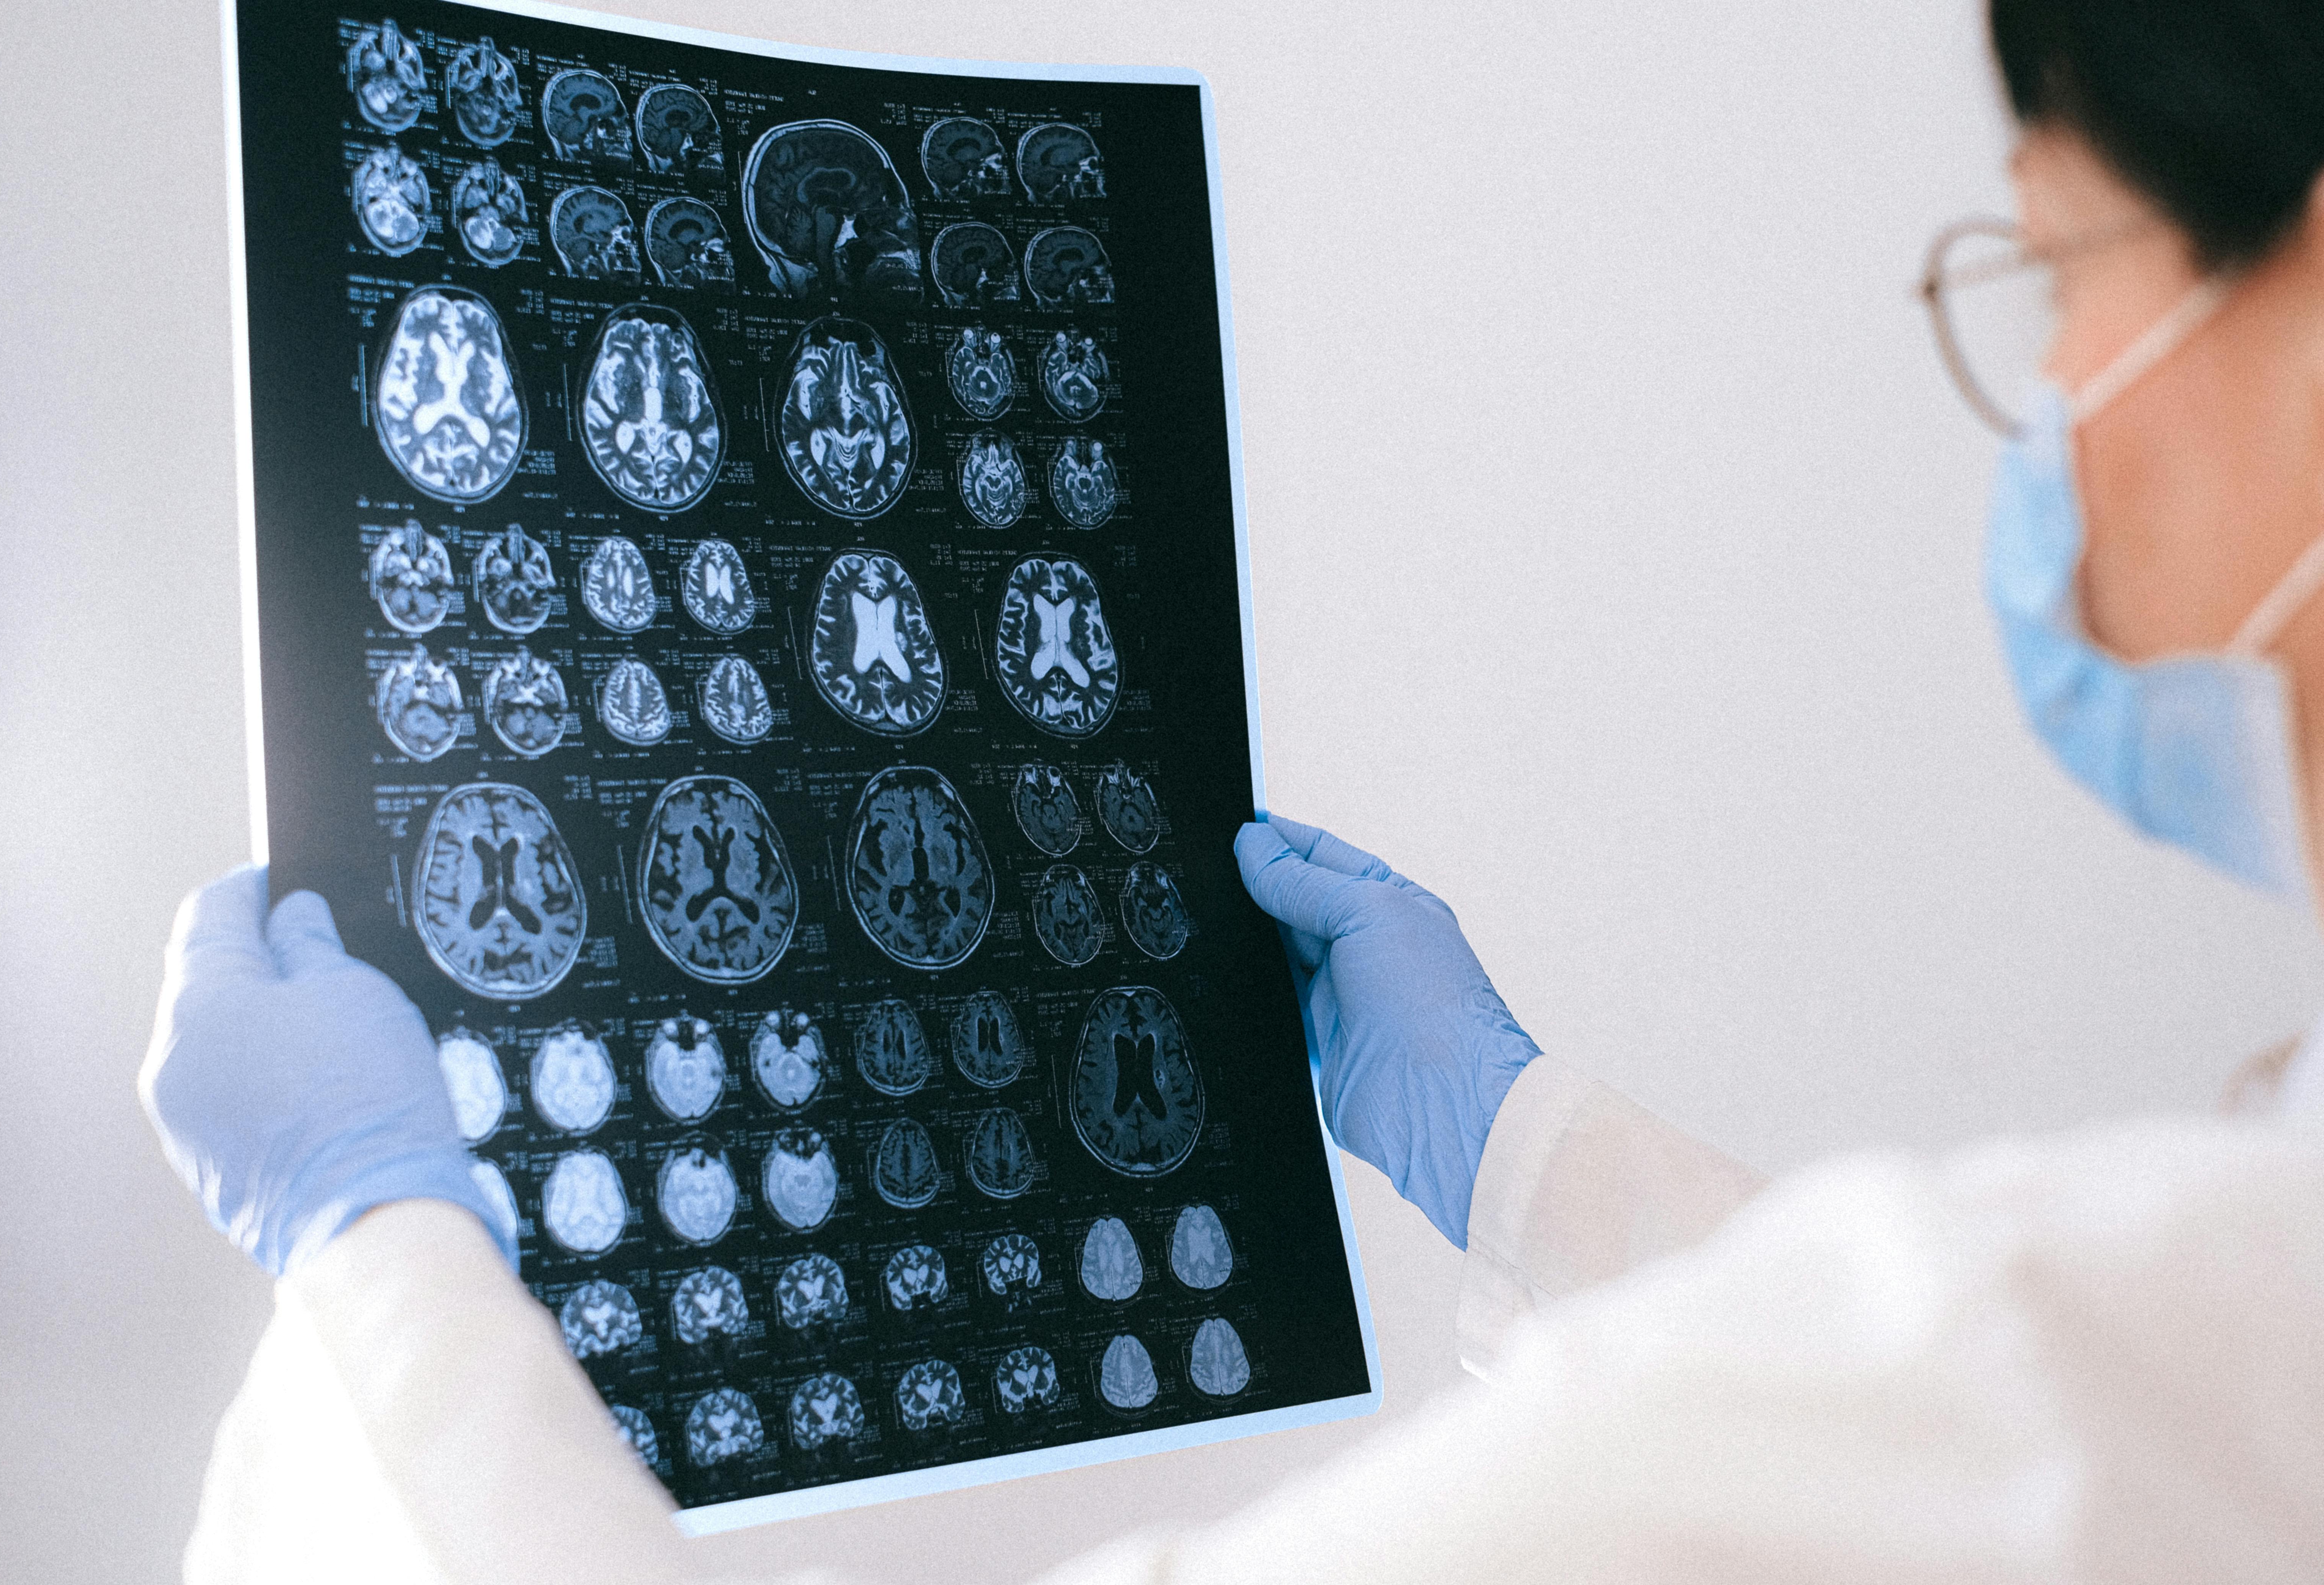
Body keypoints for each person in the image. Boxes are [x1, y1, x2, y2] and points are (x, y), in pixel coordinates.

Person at [143, 2, 2324, 1578]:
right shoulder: (2178, 1332)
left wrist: (381, 1256)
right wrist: (1526, 1147)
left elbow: (2000, 1398)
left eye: (2056, 267)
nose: (2046, 402)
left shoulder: (2111, 1352)